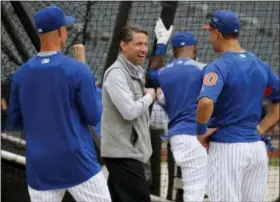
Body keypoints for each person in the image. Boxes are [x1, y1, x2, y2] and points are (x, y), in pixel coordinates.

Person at [8, 6, 111, 202]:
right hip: (77, 161)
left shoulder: (20, 75)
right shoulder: (78, 70)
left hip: (40, 165)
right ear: (60, 31)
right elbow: (93, 116)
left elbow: (15, 121)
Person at [196, 10, 279, 202]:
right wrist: (261, 128)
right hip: (256, 149)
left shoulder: (219, 66)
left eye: (210, 32)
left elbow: (206, 102)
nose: (209, 37)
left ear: (217, 32)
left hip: (228, 149)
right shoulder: (261, 65)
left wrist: (200, 131)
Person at [101, 18, 172, 202]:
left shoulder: (136, 72)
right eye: (138, 44)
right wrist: (149, 97)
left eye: (146, 44)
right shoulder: (117, 73)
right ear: (123, 46)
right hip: (123, 154)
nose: (143, 48)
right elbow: (129, 111)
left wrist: (161, 46)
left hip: (131, 154)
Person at [148, 31, 216, 202]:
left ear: (174, 51)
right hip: (197, 135)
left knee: (201, 189)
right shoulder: (204, 69)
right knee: (197, 193)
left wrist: (161, 44)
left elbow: (151, 72)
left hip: (176, 138)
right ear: (195, 49)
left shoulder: (163, 72)